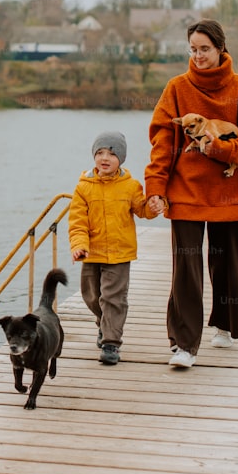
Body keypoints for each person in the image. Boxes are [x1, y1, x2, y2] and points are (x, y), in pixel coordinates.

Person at [145, 19, 238, 369]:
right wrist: (155, 188)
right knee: (186, 266)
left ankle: (225, 324)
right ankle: (184, 344)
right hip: (185, 191)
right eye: (193, 49)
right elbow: (162, 143)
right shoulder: (176, 89)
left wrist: (220, 149)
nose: (198, 56)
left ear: (220, 48)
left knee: (228, 263)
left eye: (204, 49)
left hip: (232, 191)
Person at [69, 131, 157, 365]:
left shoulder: (130, 186)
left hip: (119, 254)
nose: (104, 158)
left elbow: (143, 210)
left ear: (121, 158)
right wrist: (79, 246)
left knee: (113, 298)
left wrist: (154, 206)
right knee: (92, 297)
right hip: (91, 252)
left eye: (111, 153)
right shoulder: (83, 187)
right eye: (99, 153)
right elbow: (77, 222)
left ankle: (111, 343)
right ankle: (103, 322)